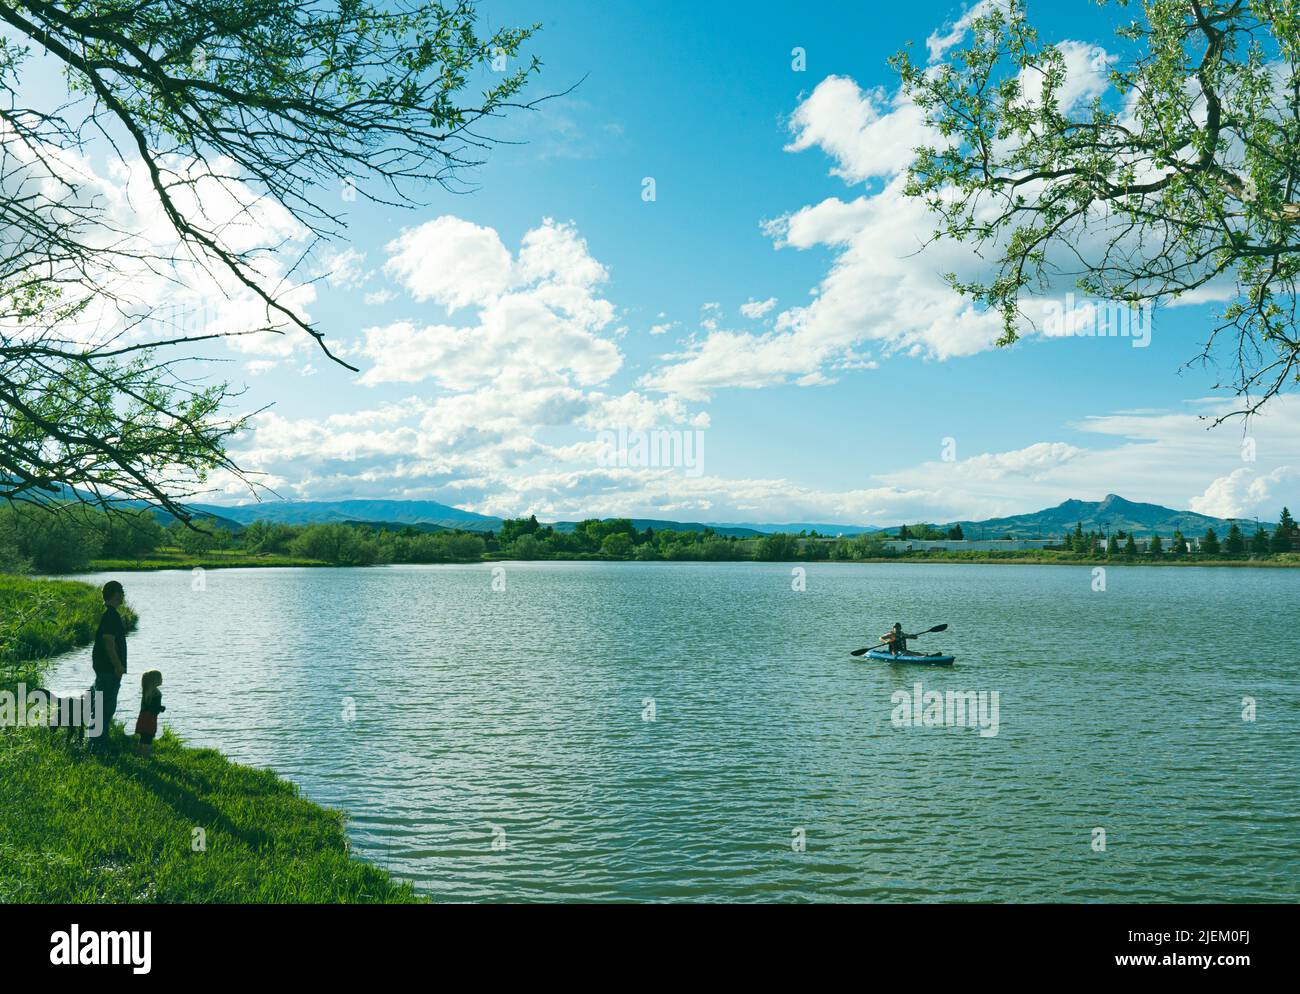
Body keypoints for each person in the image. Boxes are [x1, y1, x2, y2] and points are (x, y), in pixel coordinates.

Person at [88, 580, 127, 752]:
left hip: (104, 670)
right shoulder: (111, 616)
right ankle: (97, 746)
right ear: (116, 594)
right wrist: (118, 666)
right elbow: (109, 642)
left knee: (101, 707)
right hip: (109, 671)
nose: (123, 597)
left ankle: (97, 743)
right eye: (121, 593)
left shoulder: (109, 614)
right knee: (105, 709)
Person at [134, 671, 165, 757]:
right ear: (154, 680)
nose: (162, 679)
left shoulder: (147, 691)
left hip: (143, 717)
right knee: (148, 738)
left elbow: (147, 706)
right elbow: (154, 707)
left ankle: (140, 754)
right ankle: (146, 755)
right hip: (150, 718)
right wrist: (161, 708)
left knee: (143, 738)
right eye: (160, 678)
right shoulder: (156, 693)